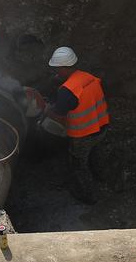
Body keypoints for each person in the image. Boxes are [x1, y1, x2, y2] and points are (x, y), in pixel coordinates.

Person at [36, 46, 109, 203]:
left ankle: (88, 196)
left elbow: (58, 114)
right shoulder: (89, 78)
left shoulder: (67, 90)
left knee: (79, 165)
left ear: (64, 68)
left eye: (57, 69)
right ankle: (102, 176)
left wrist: (45, 109)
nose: (56, 72)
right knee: (96, 154)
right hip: (102, 127)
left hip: (84, 135)